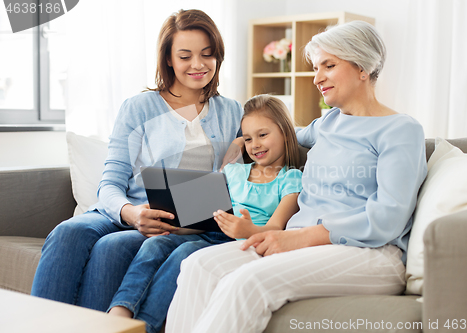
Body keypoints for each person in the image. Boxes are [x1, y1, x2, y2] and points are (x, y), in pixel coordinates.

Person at [165, 20, 428, 333]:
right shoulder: (329, 123)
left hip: (371, 253)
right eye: (316, 67)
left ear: (363, 67)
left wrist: (299, 237)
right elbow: (283, 133)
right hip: (303, 243)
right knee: (198, 265)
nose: (317, 78)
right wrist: (241, 141)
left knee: (249, 282)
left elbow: (388, 217)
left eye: (328, 65)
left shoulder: (400, 130)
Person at [31, 9, 243, 312]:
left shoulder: (232, 112)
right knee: (68, 231)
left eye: (207, 55)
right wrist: (130, 213)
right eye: (185, 56)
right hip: (124, 210)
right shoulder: (138, 108)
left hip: (176, 225)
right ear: (168, 59)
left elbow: (273, 143)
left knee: (112, 248)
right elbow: (110, 182)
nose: (198, 65)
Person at [107, 94, 303, 333]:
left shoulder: (291, 179)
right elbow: (210, 213)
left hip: (242, 239)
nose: (255, 145)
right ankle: (120, 312)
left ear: (284, 132)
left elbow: (276, 228)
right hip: (211, 231)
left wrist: (247, 230)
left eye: (263, 135)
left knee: (185, 252)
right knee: (155, 245)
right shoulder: (234, 171)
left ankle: (144, 326)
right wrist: (177, 225)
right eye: (248, 138)